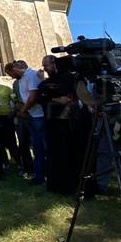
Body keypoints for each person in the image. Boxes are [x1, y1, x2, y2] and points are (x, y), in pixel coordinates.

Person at [38, 55, 82, 194]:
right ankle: (57, 186)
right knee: (55, 153)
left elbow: (68, 94)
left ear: (54, 63)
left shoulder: (68, 77)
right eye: (43, 65)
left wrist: (50, 94)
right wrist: (55, 97)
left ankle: (73, 186)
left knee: (70, 153)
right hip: (52, 121)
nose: (44, 68)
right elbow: (41, 96)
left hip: (69, 121)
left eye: (47, 65)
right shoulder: (45, 82)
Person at [8, 60, 47, 185]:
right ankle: (39, 176)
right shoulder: (21, 79)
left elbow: (33, 97)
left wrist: (23, 111)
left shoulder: (31, 75)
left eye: (13, 72)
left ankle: (47, 174)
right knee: (37, 147)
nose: (12, 76)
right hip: (31, 115)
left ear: (18, 67)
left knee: (44, 146)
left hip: (38, 116)